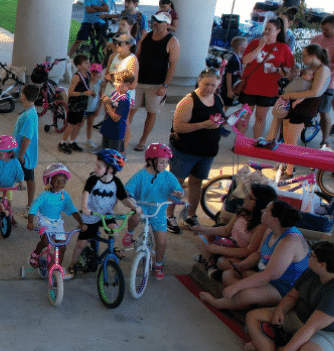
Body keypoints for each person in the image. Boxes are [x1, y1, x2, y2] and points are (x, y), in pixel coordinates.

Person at [244, 241, 334, 351]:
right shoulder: (311, 271)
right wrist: (280, 309)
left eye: (311, 255)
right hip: (303, 318)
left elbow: (312, 327)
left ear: (322, 265)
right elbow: (292, 296)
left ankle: (274, 345)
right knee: (253, 316)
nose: (308, 256)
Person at [200, 201, 310, 310]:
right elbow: (258, 253)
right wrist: (242, 265)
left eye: (266, 211)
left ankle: (218, 303)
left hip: (283, 288)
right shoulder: (270, 229)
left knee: (245, 294)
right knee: (228, 275)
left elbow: (270, 275)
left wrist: (237, 286)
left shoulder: (290, 241)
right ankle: (246, 300)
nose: (262, 211)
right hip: (265, 276)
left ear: (275, 219)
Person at [167, 69, 224, 232]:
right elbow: (178, 127)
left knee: (197, 183)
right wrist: (203, 125)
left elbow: (219, 119)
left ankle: (190, 215)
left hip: (207, 151)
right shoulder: (189, 101)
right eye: (207, 84)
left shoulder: (217, 98)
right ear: (199, 81)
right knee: (177, 182)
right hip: (186, 150)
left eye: (213, 85)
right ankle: (168, 215)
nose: (209, 87)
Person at [124, 144, 185, 279]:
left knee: (161, 242)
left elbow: (178, 191)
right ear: (150, 161)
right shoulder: (141, 175)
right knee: (135, 217)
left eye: (167, 162)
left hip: (158, 211)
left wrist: (178, 194)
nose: (165, 165)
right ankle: (130, 232)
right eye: (162, 162)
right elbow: (128, 188)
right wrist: (130, 196)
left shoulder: (168, 176)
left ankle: (158, 264)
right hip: (142, 206)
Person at [269, 45, 331, 177]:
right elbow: (301, 84)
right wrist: (289, 77)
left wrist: (290, 95)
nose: (302, 58)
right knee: (287, 137)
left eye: (304, 55)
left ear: (313, 56)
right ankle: (285, 164)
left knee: (292, 140)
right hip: (292, 104)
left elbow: (315, 91)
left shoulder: (323, 69)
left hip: (304, 107)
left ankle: (290, 170)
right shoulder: (312, 68)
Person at [73, 149, 135, 274]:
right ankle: (72, 265)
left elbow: (124, 199)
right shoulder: (93, 180)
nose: (95, 168)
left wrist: (133, 207)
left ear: (110, 170)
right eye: (96, 165)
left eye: (99, 166)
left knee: (115, 231)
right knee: (81, 243)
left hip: (106, 214)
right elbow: (86, 193)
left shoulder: (116, 183)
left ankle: (113, 248)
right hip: (91, 215)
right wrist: (84, 207)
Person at [194, 183, 276, 277]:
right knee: (203, 238)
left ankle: (209, 258)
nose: (245, 198)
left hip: (240, 255)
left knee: (223, 263)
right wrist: (203, 229)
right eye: (246, 194)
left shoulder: (261, 226)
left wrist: (220, 250)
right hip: (229, 245)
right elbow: (226, 230)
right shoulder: (242, 213)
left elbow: (248, 251)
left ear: (260, 203)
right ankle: (211, 264)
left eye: (250, 197)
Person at [238, 18, 294, 141]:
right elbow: (245, 61)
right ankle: (239, 141)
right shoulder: (255, 43)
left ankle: (256, 141)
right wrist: (260, 46)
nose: (266, 32)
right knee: (245, 115)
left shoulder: (283, 48)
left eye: (270, 29)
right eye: (266, 29)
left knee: (260, 117)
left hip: (268, 88)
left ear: (278, 31)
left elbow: (289, 69)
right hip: (250, 86)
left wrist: (277, 70)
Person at [27, 163, 86, 278]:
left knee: (62, 246)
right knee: (45, 241)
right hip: (44, 219)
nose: (60, 184)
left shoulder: (65, 196)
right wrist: (30, 221)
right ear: (48, 180)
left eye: (63, 182)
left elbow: (73, 210)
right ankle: (36, 252)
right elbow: (33, 208)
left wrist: (81, 223)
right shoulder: (44, 195)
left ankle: (56, 267)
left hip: (57, 222)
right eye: (57, 181)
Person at [131, 12, 179, 151]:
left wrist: (165, 85)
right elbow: (137, 55)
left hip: (156, 84)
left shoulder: (172, 41)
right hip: (138, 81)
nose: (155, 23)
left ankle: (143, 140)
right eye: (154, 20)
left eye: (159, 21)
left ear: (167, 24)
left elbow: (173, 65)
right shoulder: (146, 36)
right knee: (130, 110)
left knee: (151, 112)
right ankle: (122, 136)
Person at [93, 34, 138, 149]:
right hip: (111, 91)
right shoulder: (113, 56)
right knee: (109, 116)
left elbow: (133, 84)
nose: (116, 45)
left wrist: (117, 80)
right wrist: (111, 80)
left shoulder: (132, 60)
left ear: (128, 45)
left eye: (120, 43)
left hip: (124, 94)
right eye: (116, 43)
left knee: (124, 122)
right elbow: (107, 74)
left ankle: (121, 150)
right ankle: (107, 145)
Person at [309, 16, 334, 136]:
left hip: (329, 82)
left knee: (324, 112)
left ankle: (324, 140)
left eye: (326, 29)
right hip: (312, 77)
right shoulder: (316, 38)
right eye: (322, 29)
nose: (323, 32)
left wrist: (323, 64)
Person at [13, 84, 41, 206]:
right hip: (21, 152)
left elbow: (27, 138)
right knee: (29, 177)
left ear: (23, 96)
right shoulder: (30, 112)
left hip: (24, 154)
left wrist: (21, 155)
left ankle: (30, 205)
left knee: (29, 178)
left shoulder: (29, 116)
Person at [100, 72, 135, 152]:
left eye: (119, 82)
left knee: (113, 155)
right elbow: (108, 110)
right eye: (116, 81)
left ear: (128, 84)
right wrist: (106, 102)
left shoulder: (124, 99)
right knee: (104, 152)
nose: (116, 84)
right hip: (108, 128)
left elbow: (116, 118)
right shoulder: (115, 93)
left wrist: (108, 104)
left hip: (116, 132)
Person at [81, 63, 105, 147]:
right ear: (89, 71)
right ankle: (74, 139)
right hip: (84, 108)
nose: (94, 73)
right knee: (79, 124)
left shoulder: (100, 84)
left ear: (100, 74)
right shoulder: (85, 82)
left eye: (97, 72)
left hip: (93, 108)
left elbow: (101, 97)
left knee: (90, 125)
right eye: (93, 71)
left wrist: (99, 109)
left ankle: (89, 139)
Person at [221, 36, 248, 107]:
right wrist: (229, 90)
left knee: (228, 104)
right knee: (225, 106)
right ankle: (219, 117)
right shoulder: (233, 59)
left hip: (233, 86)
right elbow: (228, 74)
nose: (247, 47)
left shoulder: (238, 58)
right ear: (240, 47)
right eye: (246, 45)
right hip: (228, 87)